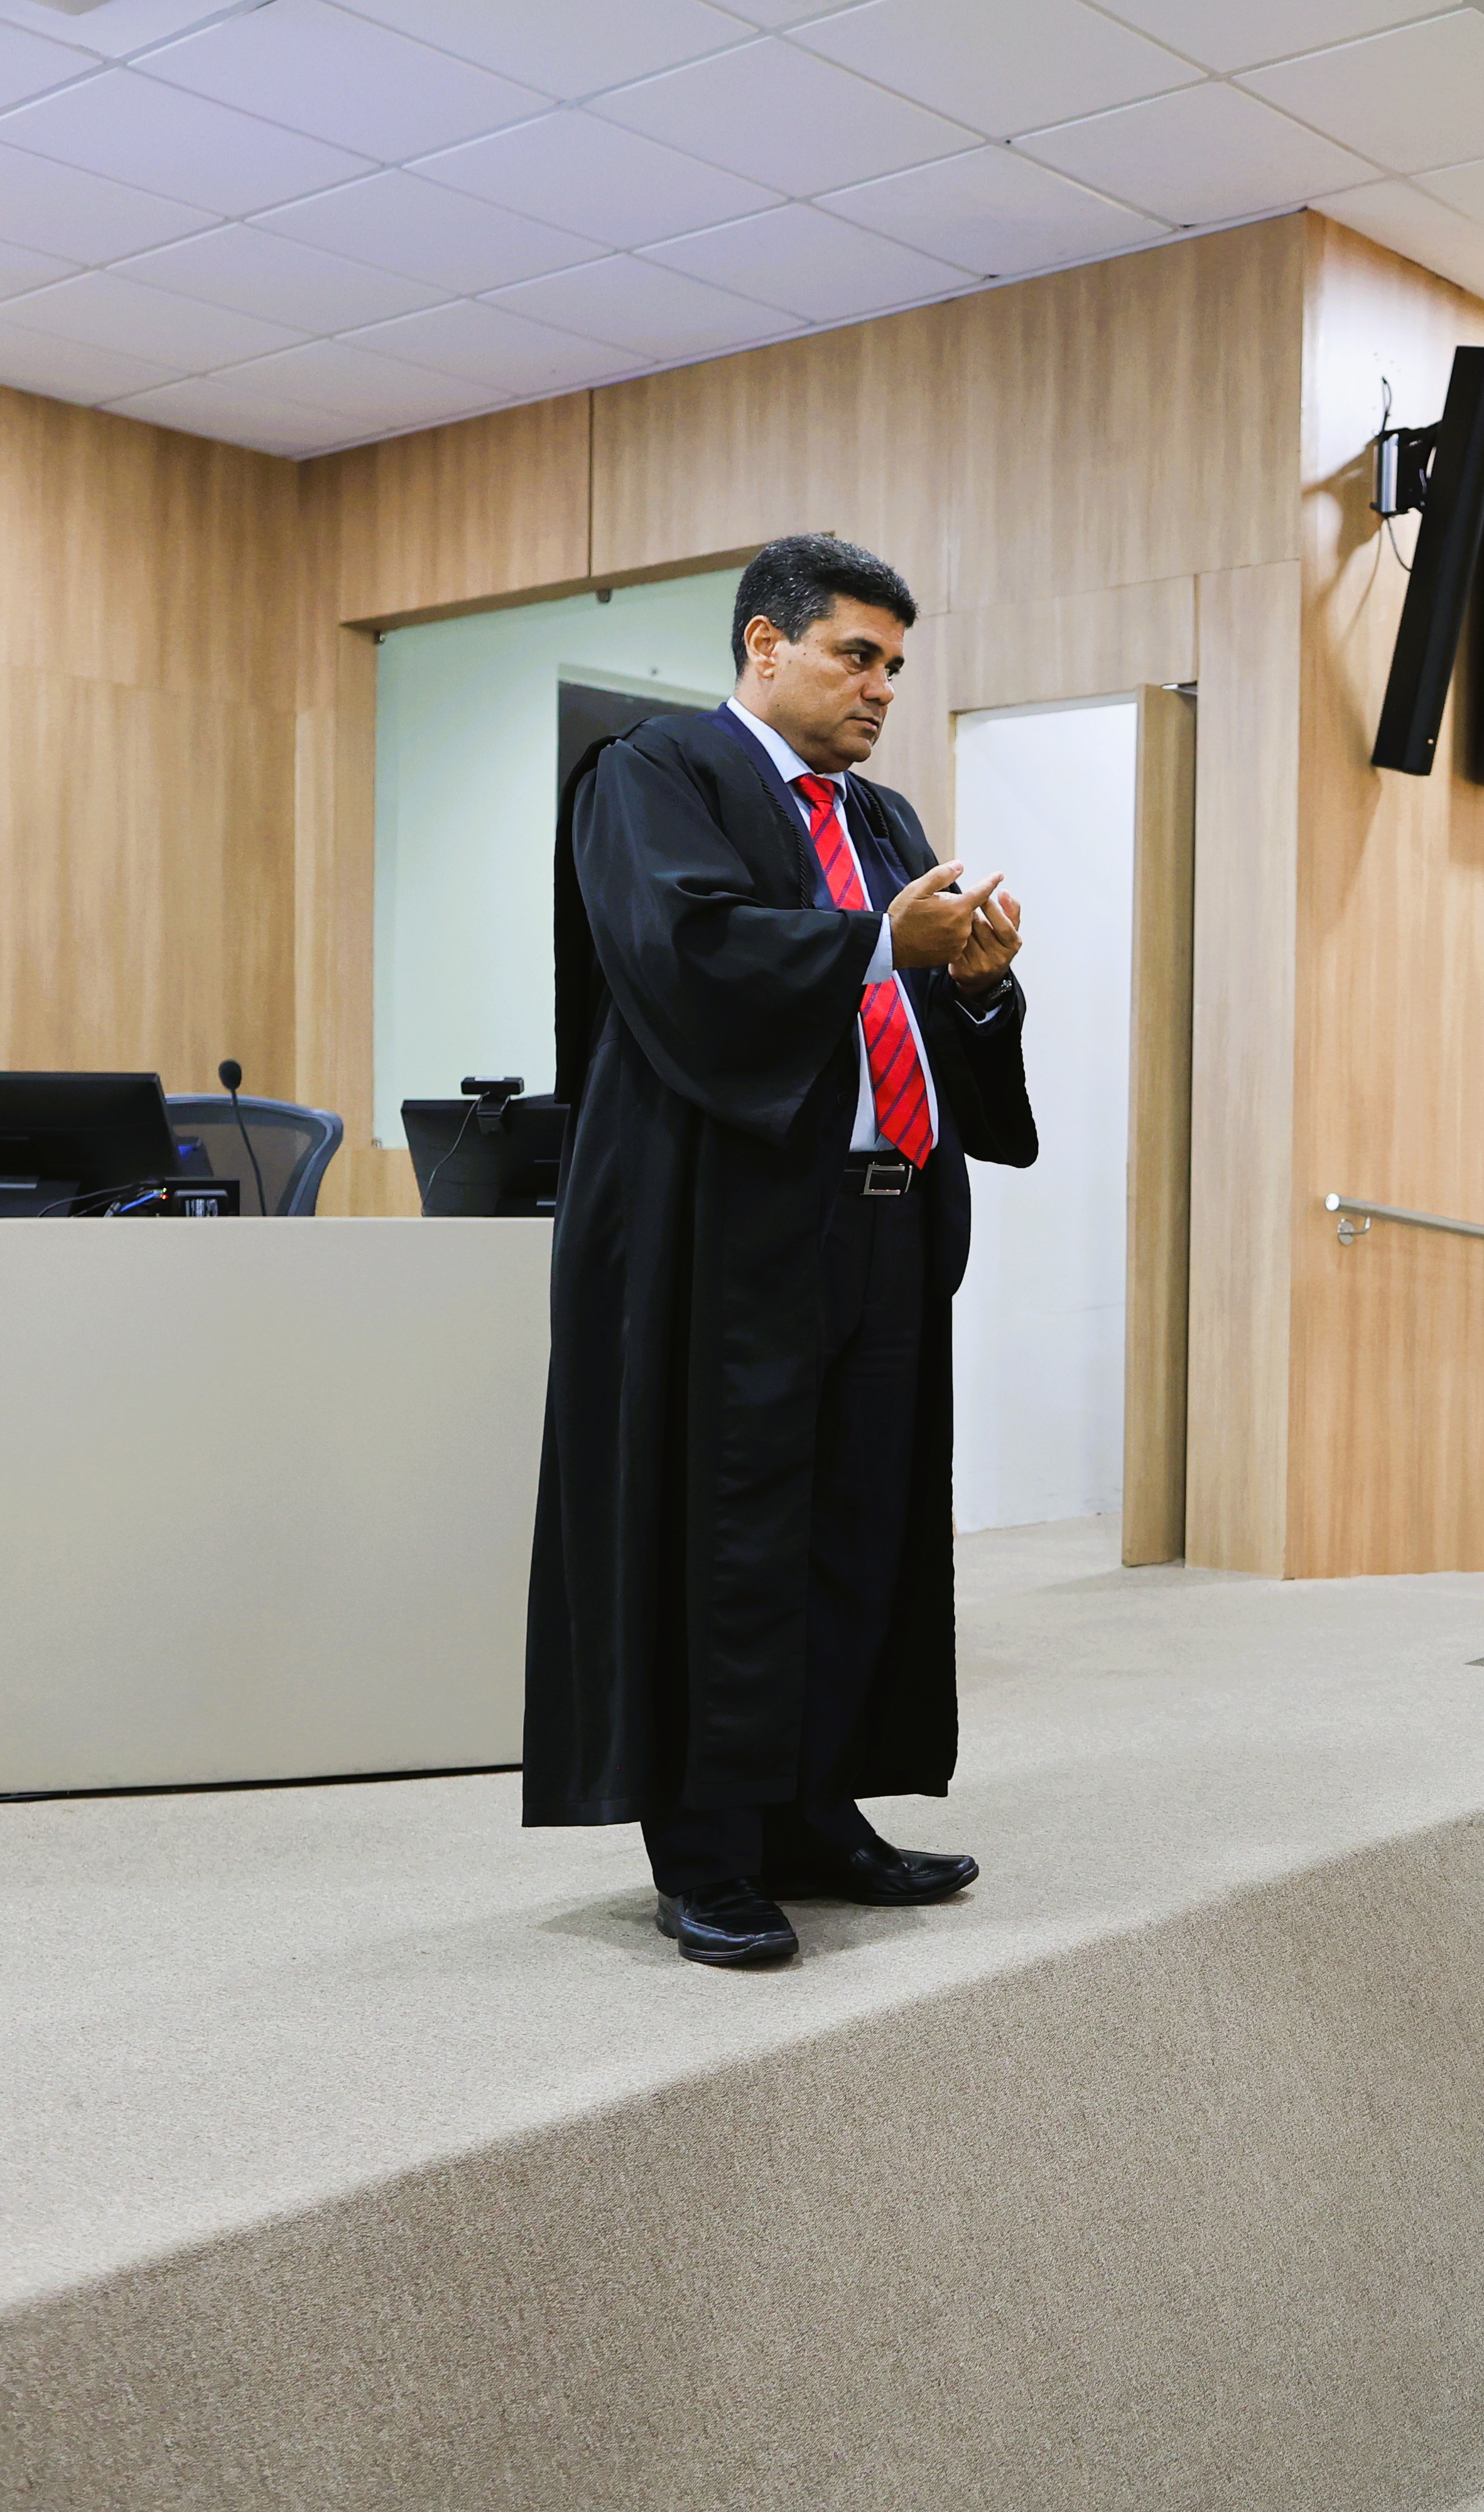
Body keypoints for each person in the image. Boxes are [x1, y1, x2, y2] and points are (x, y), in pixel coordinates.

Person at [524, 534, 1036, 1968]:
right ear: (766, 644)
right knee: (729, 1534)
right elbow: (687, 953)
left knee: (858, 1526)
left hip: (884, 1220)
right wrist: (876, 944)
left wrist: (976, 988)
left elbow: (913, 1008)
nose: (881, 688)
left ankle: (817, 1811)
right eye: (855, 655)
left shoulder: (883, 818)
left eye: (894, 666)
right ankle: (707, 1851)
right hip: (728, 1231)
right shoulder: (656, 773)